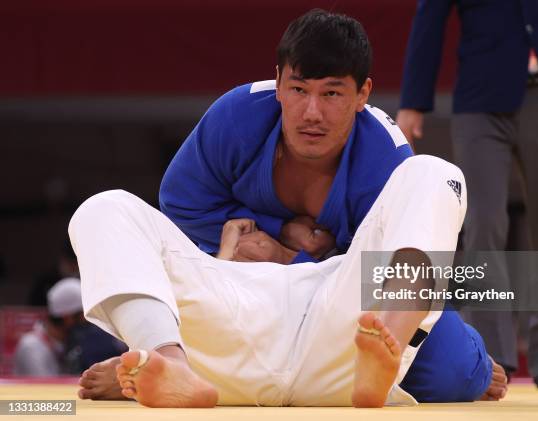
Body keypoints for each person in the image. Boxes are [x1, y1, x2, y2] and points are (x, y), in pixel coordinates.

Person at [74, 9, 506, 404]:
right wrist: (278, 229)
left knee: (435, 175)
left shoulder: (383, 155)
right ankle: (173, 364)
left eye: (333, 93)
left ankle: (385, 351)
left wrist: (287, 255)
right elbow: (182, 204)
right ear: (278, 82)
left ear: (363, 94)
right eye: (299, 89)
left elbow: (396, 267)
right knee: (104, 208)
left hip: (340, 326)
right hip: (237, 302)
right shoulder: (238, 117)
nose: (311, 112)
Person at [395, 0, 538, 388]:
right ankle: (493, 354)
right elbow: (430, 16)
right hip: (481, 97)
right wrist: (413, 102)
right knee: (483, 223)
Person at [14, 278, 83, 376]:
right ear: (67, 317)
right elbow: (41, 389)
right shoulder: (32, 347)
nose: (86, 321)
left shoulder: (66, 343)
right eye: (81, 316)